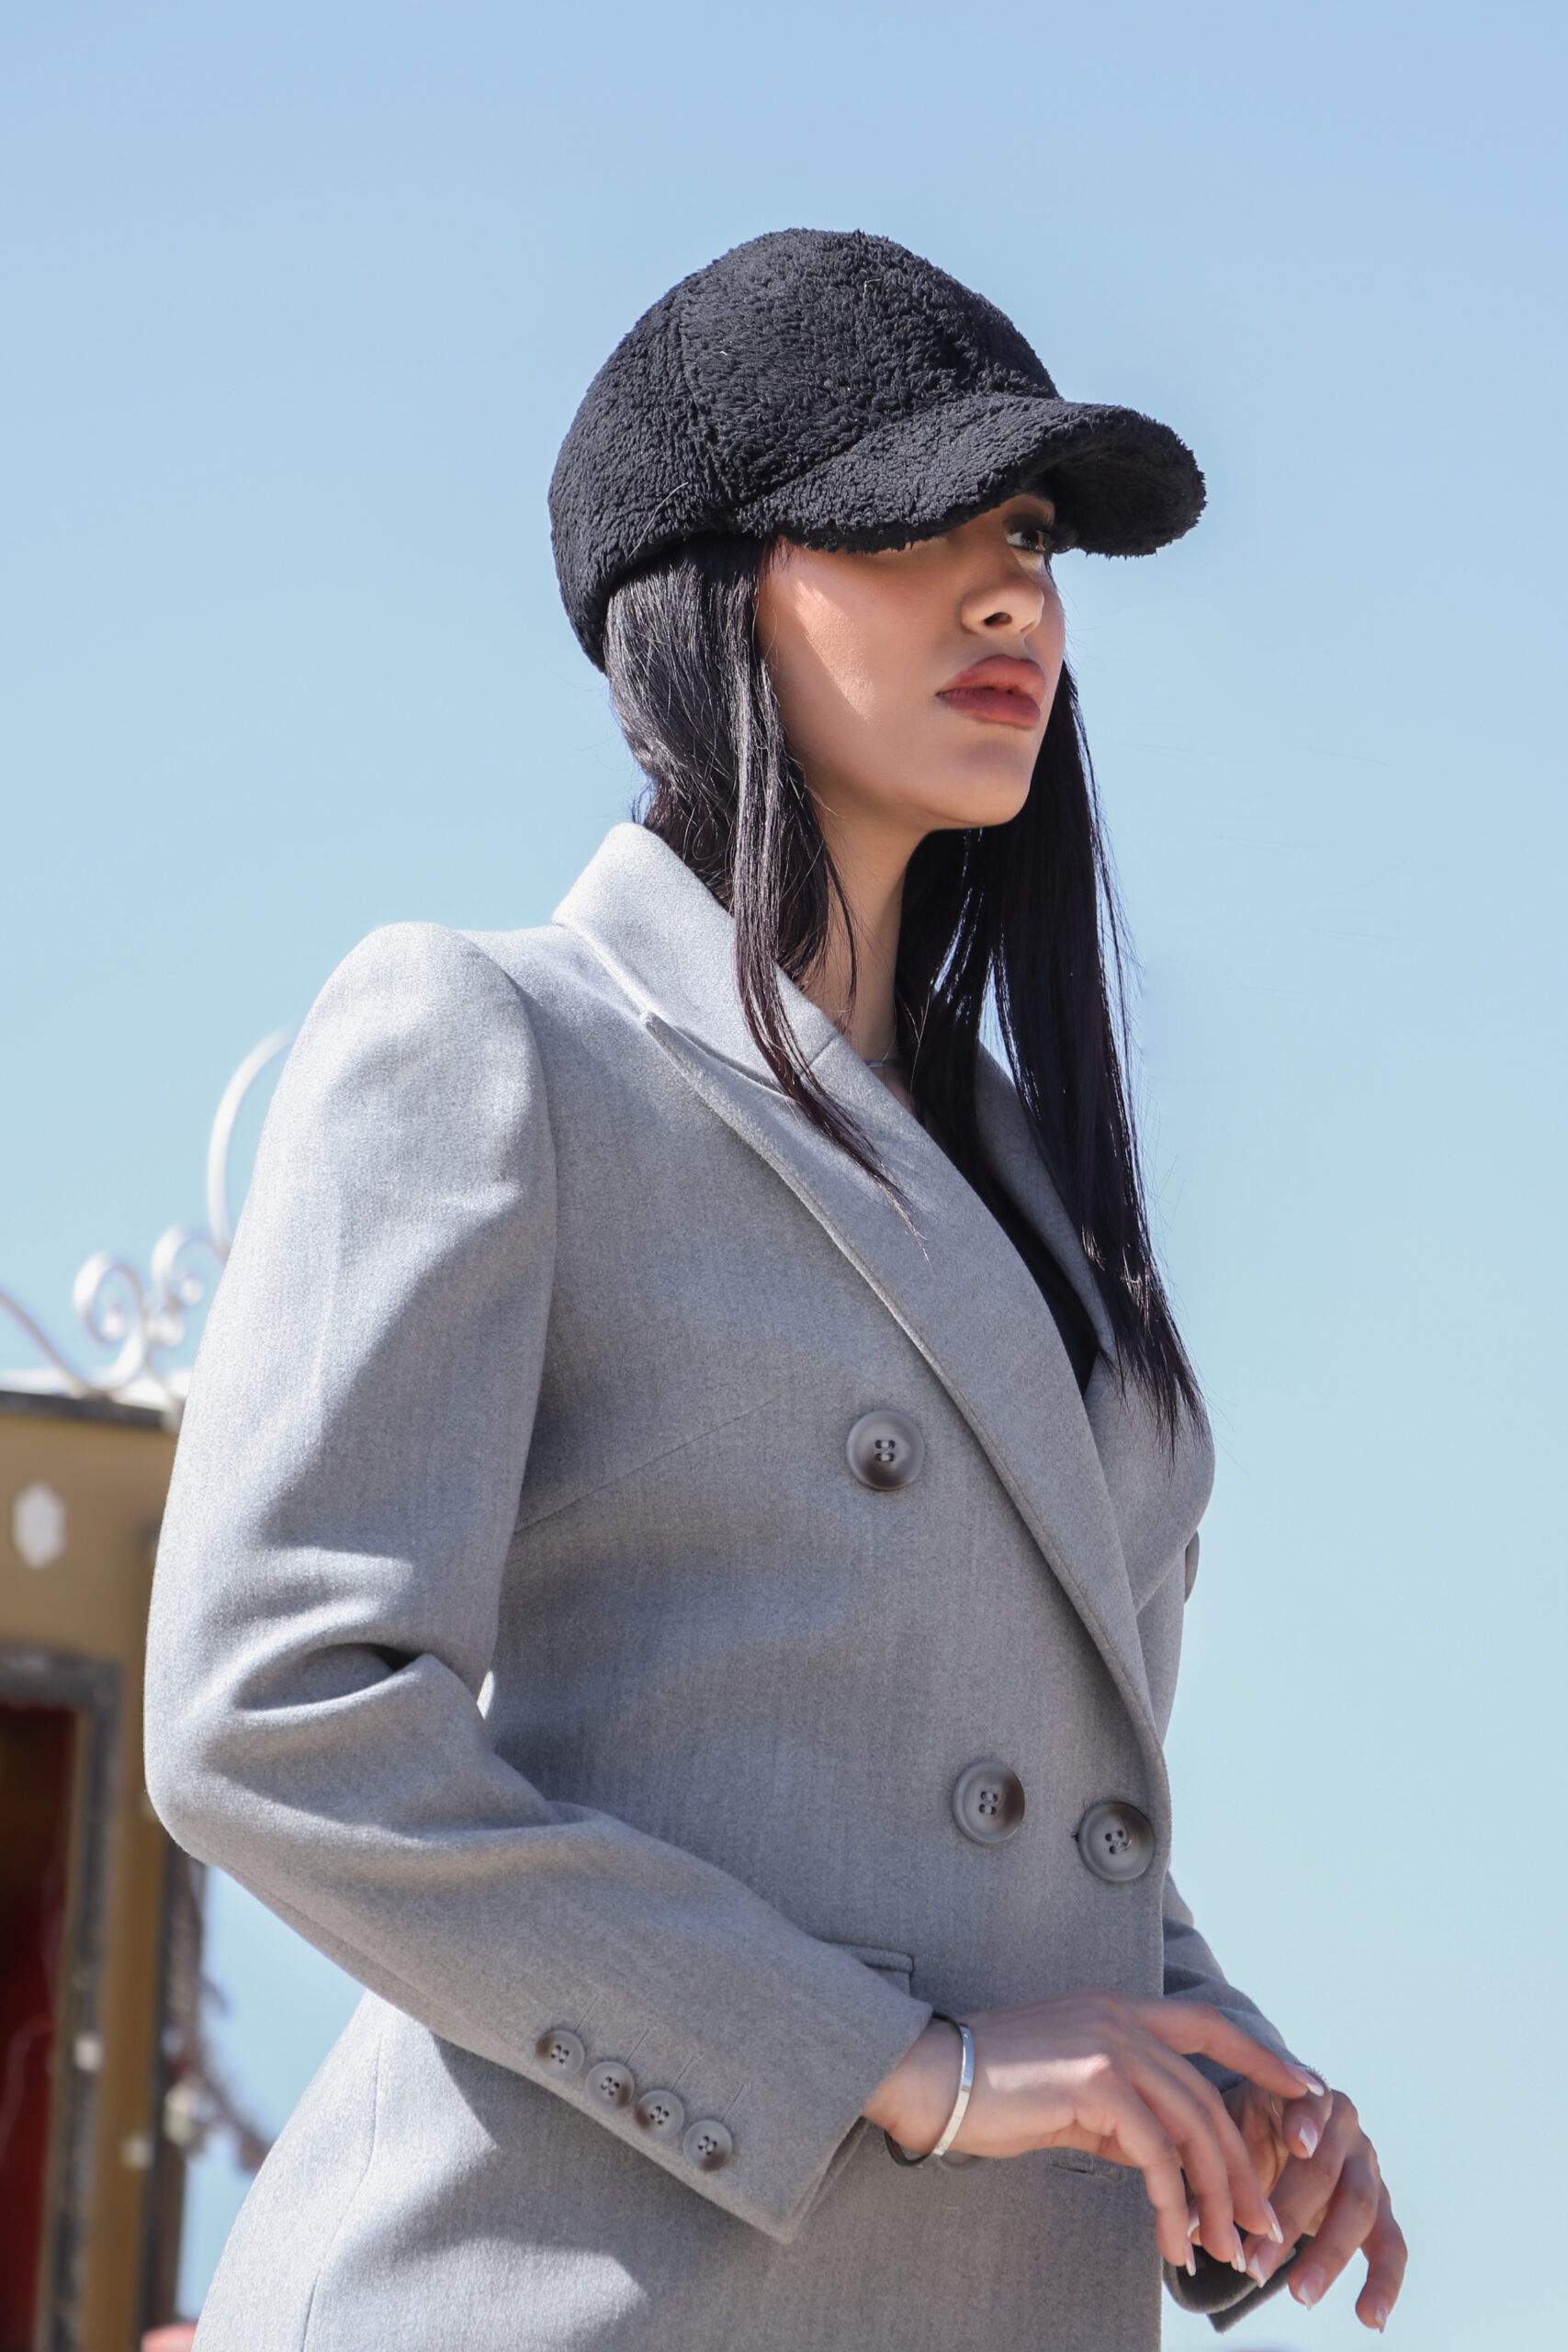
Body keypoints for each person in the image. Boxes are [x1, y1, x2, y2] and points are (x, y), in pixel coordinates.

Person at [145, 230, 1404, 2348]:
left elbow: (1013, 1813)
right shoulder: (497, 1039)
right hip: (550, 2290)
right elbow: (272, 1717)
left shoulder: (1041, 1193)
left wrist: (1214, 2075)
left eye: (1029, 536)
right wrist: (903, 2069)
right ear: (708, 585)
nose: (1009, 596)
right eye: (918, 521)